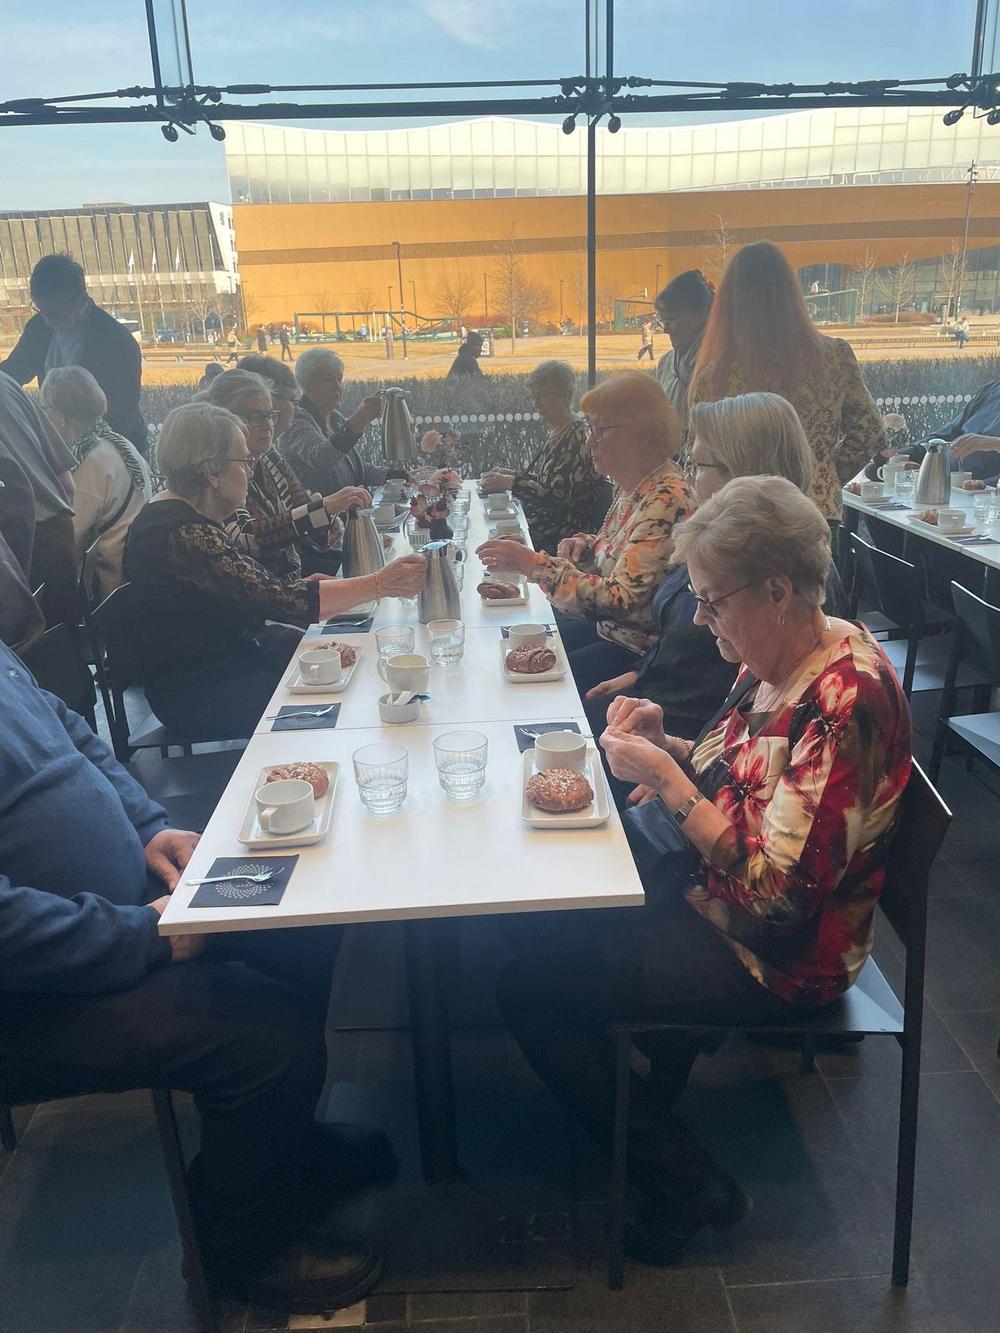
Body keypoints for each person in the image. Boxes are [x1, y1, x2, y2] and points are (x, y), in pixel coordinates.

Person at [498, 475, 912, 1266]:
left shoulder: (844, 695)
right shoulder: (783, 650)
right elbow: (746, 777)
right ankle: (644, 1087)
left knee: (528, 991)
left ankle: (688, 1183)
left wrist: (671, 782)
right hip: (715, 896)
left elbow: (779, 897)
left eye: (713, 600)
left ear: (778, 589)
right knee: (540, 924)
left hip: (780, 956)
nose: (698, 617)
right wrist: (671, 743)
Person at [0, 645, 392, 1311]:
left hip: (118, 914)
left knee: (302, 923)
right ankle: (244, 1249)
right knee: (267, 1039)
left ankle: (278, 1151)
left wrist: (146, 827)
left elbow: (70, 732)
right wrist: (141, 936)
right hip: (35, 986)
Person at [122, 402, 425, 739]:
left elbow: (251, 589)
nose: (251, 473)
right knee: (335, 697)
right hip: (198, 689)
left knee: (345, 659)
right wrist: (382, 584)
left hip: (232, 658)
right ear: (212, 473)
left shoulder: (185, 516)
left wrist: (293, 588)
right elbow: (282, 601)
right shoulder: (182, 532)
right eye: (244, 462)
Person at [584, 391, 847, 775]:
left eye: (697, 464)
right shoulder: (717, 543)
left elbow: (767, 733)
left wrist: (677, 773)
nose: (687, 476)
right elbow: (684, 640)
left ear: (741, 470)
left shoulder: (784, 577)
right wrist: (641, 674)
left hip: (699, 734)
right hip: (678, 721)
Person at [478, 372, 694, 693]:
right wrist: (586, 544)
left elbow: (619, 600)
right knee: (511, 646)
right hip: (609, 631)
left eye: (600, 430)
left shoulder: (666, 499)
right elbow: (627, 551)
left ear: (642, 434)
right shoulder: (637, 485)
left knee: (526, 685)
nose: (589, 442)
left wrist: (533, 565)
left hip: (636, 653)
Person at [688, 241, 885, 524]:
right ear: (792, 295)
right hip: (814, 508)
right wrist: (823, 472)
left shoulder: (716, 373)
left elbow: (698, 452)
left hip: (741, 513)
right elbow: (871, 433)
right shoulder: (834, 356)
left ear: (732, 301)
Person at [203, 368, 361, 580]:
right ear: (225, 421)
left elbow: (302, 508)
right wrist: (322, 509)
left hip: (292, 583)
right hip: (264, 591)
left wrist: (327, 523)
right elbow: (246, 537)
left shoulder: (269, 456)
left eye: (270, 416)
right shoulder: (217, 472)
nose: (267, 426)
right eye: (255, 417)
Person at [0, 254, 147, 455]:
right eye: (41, 311)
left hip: (117, 448)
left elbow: (120, 416)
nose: (48, 321)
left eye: (55, 314)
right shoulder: (39, 328)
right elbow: (14, 371)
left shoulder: (117, 342)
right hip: (63, 443)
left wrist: (81, 452)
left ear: (80, 300)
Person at [38, 366, 151, 601]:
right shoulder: (116, 442)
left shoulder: (89, 464)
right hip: (132, 579)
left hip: (107, 592)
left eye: (44, 409)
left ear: (60, 417)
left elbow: (68, 542)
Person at [480, 360, 611, 553]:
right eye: (534, 397)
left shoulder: (576, 437)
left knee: (487, 539)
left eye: (542, 395)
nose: (536, 404)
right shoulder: (559, 431)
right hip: (543, 529)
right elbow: (548, 482)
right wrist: (512, 475)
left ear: (564, 394)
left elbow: (556, 498)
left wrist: (511, 482)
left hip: (560, 539)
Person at [0, 371, 78, 628]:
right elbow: (68, 483)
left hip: (19, 554)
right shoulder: (6, 383)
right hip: (58, 539)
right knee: (63, 647)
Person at [278, 347, 400, 496]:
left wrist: (400, 476)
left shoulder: (335, 419)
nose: (337, 387)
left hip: (356, 509)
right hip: (322, 511)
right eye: (328, 380)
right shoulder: (295, 422)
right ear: (305, 383)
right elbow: (322, 458)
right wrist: (359, 420)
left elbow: (358, 471)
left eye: (339, 380)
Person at [654, 270, 714, 435]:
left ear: (699, 314)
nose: (665, 329)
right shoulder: (665, 363)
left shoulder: (720, 366)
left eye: (671, 320)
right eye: (663, 322)